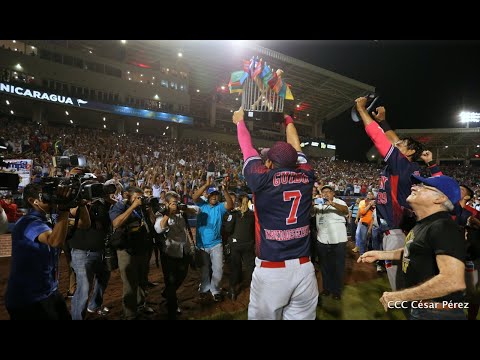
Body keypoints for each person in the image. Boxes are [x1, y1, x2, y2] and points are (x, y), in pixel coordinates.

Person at [233, 108, 318, 320]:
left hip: (272, 269)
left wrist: (239, 122)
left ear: (270, 163)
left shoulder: (261, 179)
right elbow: (296, 145)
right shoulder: (306, 175)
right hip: (305, 268)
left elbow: (247, 147)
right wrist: (288, 119)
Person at [355, 98, 442, 291]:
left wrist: (361, 110)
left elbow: (376, 136)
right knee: (407, 278)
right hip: (399, 229)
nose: (396, 144)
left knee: (400, 285)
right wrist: (384, 120)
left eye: (401, 144)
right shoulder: (408, 164)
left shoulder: (401, 164)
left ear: (409, 151)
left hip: (396, 232)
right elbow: (394, 139)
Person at [358, 175, 466, 320]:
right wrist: (381, 255)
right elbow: (414, 251)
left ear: (439, 199)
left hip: (437, 313)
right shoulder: (425, 223)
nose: (414, 186)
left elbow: (453, 281)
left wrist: (400, 296)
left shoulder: (443, 226)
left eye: (423, 186)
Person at [5, 183, 90, 320]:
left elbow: (84, 224)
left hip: (49, 291)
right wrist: (64, 209)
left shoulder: (51, 219)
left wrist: (80, 203)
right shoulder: (27, 222)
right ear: (33, 201)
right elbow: (54, 241)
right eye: (48, 196)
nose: (53, 199)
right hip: (28, 299)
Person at [109, 186, 156, 319]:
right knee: (130, 283)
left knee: (142, 280)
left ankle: (141, 305)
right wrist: (132, 207)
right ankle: (130, 314)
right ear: (128, 196)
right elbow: (116, 223)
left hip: (142, 247)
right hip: (126, 249)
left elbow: (152, 223)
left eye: (140, 198)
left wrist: (149, 209)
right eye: (136, 197)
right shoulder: (120, 206)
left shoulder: (142, 207)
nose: (139, 200)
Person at [154, 191, 199, 319]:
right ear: (167, 204)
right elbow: (159, 228)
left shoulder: (182, 212)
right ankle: (172, 310)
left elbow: (197, 210)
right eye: (173, 203)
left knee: (182, 276)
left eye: (177, 202)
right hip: (169, 253)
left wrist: (185, 207)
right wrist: (168, 214)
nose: (176, 205)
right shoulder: (161, 213)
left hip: (183, 251)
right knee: (171, 282)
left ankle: (167, 293)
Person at [192, 176, 234, 301]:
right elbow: (194, 197)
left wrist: (225, 190)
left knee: (218, 269)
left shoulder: (220, 207)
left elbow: (230, 205)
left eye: (216, 195)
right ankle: (204, 288)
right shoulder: (202, 205)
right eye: (212, 195)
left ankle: (215, 289)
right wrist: (206, 185)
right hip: (202, 245)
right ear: (208, 196)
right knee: (205, 270)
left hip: (216, 243)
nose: (214, 197)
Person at [312, 185, 349, 300]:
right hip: (322, 240)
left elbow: (345, 210)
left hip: (338, 240)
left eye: (328, 191)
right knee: (325, 266)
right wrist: (312, 203)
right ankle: (327, 288)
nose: (326, 194)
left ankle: (336, 290)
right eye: (324, 192)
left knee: (338, 267)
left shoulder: (340, 202)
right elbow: (310, 211)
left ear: (333, 193)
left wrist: (332, 203)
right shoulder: (319, 204)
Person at [224, 192, 255, 300]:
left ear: (238, 202)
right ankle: (255, 290)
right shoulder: (252, 214)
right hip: (249, 244)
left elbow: (228, 229)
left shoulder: (234, 214)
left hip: (236, 245)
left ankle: (232, 290)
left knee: (235, 268)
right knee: (251, 267)